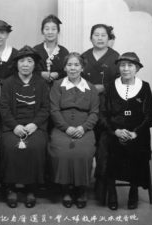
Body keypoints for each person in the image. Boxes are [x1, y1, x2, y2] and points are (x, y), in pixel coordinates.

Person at [103, 52, 152, 210]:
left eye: (130, 65)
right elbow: (104, 114)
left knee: (137, 151)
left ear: (137, 68)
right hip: (114, 132)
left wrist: (135, 133)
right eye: (122, 65)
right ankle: (112, 192)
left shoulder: (144, 87)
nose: (126, 69)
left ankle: (134, 191)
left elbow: (150, 117)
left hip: (137, 134)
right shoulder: (111, 86)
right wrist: (116, 131)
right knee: (109, 151)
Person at [0, 46, 50, 208]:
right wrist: (14, 126)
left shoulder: (41, 83)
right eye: (22, 61)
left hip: (35, 126)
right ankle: (11, 188)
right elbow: (4, 108)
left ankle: (31, 188)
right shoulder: (8, 83)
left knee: (36, 146)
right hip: (12, 126)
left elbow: (45, 108)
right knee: (9, 146)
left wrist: (34, 124)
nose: (26, 64)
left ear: (35, 65)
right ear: (16, 64)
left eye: (30, 61)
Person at [49, 52, 99, 209]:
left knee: (83, 152)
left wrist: (83, 128)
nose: (73, 68)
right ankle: (66, 190)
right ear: (64, 67)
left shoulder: (91, 88)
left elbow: (94, 113)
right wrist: (66, 128)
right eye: (69, 65)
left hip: (84, 129)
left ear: (82, 68)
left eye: (76, 65)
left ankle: (82, 189)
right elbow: (54, 110)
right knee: (61, 152)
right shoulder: (57, 85)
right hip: (62, 128)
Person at [81, 24, 120, 203]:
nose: (99, 38)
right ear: (91, 38)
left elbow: (121, 83)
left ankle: (102, 183)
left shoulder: (116, 57)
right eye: (96, 35)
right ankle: (80, 183)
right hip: (86, 107)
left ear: (108, 38)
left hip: (107, 107)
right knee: (86, 141)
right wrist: (91, 88)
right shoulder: (84, 57)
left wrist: (104, 87)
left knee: (105, 143)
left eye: (103, 35)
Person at [34, 14, 69, 84]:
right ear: (42, 31)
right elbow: (29, 70)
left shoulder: (64, 51)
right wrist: (40, 74)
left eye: (53, 29)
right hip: (38, 89)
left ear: (58, 31)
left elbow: (68, 70)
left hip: (59, 91)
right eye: (47, 29)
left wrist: (58, 74)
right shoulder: (35, 50)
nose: (50, 32)